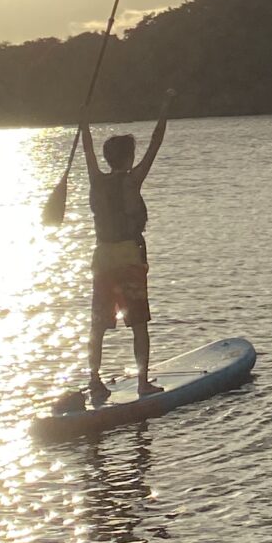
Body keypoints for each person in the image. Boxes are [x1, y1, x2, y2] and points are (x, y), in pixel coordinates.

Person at [80, 91, 169, 404]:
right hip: (128, 259)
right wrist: (165, 106)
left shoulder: (95, 180)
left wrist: (84, 119)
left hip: (102, 258)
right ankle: (143, 383)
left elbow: (87, 148)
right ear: (128, 158)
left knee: (99, 325)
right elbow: (156, 143)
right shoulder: (132, 180)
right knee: (139, 323)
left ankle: (95, 381)